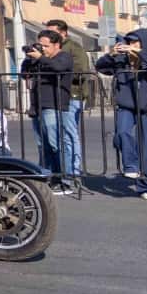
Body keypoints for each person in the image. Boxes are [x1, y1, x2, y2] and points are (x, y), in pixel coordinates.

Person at [96, 29, 147, 200]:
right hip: (126, 106)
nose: (131, 45)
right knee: (122, 133)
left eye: (135, 42)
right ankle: (131, 166)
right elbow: (100, 66)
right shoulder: (121, 60)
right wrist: (112, 54)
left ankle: (146, 186)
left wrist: (140, 53)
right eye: (129, 42)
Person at [27, 30, 75, 195]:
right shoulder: (41, 59)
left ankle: (65, 181)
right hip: (37, 107)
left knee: (57, 144)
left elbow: (58, 67)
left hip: (54, 105)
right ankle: (49, 178)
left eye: (46, 46)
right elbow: (25, 74)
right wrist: (29, 57)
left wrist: (40, 57)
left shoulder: (64, 57)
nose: (43, 49)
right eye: (41, 45)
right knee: (43, 146)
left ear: (57, 45)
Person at [46, 19, 87, 178]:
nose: (49, 35)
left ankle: (73, 172)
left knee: (69, 135)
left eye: (52, 32)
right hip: (55, 95)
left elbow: (81, 72)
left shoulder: (73, 48)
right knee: (54, 136)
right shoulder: (48, 49)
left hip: (72, 95)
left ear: (63, 33)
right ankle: (58, 171)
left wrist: (60, 69)